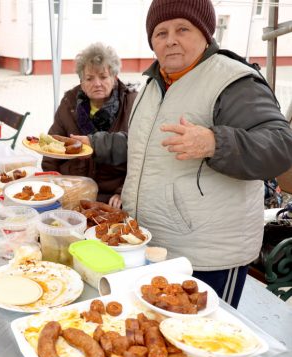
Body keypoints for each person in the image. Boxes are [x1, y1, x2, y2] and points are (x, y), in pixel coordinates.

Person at [122, 0, 292, 308]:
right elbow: (145, 144)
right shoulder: (153, 82)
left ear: (205, 33)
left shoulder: (233, 80)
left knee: (207, 342)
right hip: (154, 244)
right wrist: (95, 144)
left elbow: (281, 146)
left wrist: (215, 143)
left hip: (208, 256)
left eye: (182, 29)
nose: (170, 39)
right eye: (161, 32)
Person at [41, 43, 136, 207]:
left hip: (111, 195)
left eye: (103, 76)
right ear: (81, 81)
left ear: (115, 77)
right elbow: (51, 148)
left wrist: (124, 191)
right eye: (89, 78)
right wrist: (52, 183)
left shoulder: (132, 103)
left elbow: (141, 156)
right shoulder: (69, 102)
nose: (97, 83)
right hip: (73, 191)